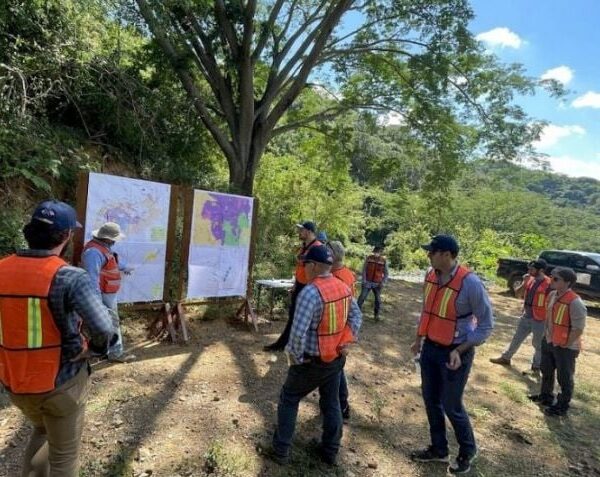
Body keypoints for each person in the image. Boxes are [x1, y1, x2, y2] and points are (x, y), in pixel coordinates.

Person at [0, 200, 114, 477]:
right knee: (64, 457)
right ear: (67, 235)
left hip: (15, 382)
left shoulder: (2, 269)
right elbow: (104, 328)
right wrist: (95, 349)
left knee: (41, 431)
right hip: (62, 382)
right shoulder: (69, 277)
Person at [268, 245, 362, 466]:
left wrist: (296, 360)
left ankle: (280, 451)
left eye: (305, 264)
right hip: (335, 360)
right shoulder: (342, 287)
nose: (303, 268)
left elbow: (297, 335)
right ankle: (330, 451)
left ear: (314, 266)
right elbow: (356, 317)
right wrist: (345, 342)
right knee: (331, 403)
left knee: (289, 398)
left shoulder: (310, 293)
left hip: (312, 361)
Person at [410, 234, 494, 475]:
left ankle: (468, 451)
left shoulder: (471, 283)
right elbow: (427, 309)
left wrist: (460, 349)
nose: (428, 255)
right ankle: (439, 449)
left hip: (455, 352)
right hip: (430, 348)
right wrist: (418, 339)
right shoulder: (430, 275)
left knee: (451, 404)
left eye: (432, 251)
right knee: (430, 399)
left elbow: (486, 325)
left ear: (447, 255)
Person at [528, 266, 586, 417]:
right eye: (551, 277)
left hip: (566, 347)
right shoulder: (553, 294)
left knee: (564, 378)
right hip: (549, 341)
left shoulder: (575, 302)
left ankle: (561, 406)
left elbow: (578, 328)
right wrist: (547, 336)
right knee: (546, 370)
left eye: (555, 279)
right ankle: (546, 396)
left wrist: (566, 343)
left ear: (567, 282)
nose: (551, 280)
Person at [263, 221, 323, 351]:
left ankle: (299, 348)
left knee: (304, 319)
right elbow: (300, 267)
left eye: (301, 230)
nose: (299, 232)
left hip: (310, 288)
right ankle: (283, 344)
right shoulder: (304, 247)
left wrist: (313, 289)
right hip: (300, 286)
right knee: (293, 316)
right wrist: (296, 283)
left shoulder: (318, 248)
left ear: (309, 231)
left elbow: (320, 271)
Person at [81, 222, 134, 363]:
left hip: (107, 292)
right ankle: (115, 353)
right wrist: (96, 300)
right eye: (114, 239)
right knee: (111, 322)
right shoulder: (93, 252)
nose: (115, 241)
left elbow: (111, 262)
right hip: (103, 294)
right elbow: (92, 278)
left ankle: (105, 351)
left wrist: (125, 267)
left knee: (107, 322)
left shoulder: (102, 248)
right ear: (108, 238)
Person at [490, 259, 551, 372]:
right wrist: (524, 283)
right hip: (526, 315)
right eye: (529, 269)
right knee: (516, 338)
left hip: (540, 319)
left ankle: (536, 367)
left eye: (532, 269)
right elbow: (518, 294)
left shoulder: (549, 284)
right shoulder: (529, 279)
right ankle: (506, 358)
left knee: (538, 344)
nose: (529, 271)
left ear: (541, 270)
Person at [328, 240, 356, 420]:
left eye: (327, 250)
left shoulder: (340, 277)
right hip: (339, 329)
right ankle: (341, 405)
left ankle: (341, 406)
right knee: (337, 369)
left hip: (338, 331)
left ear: (334, 255)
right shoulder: (345, 273)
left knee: (336, 370)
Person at [357, 245, 389, 320]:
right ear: (373, 252)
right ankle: (357, 313)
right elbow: (364, 269)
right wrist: (364, 280)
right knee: (362, 297)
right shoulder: (369, 258)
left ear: (380, 253)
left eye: (378, 252)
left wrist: (383, 282)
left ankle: (376, 315)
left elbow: (386, 273)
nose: (376, 253)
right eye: (375, 252)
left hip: (377, 284)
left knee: (378, 300)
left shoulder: (383, 261)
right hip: (367, 282)